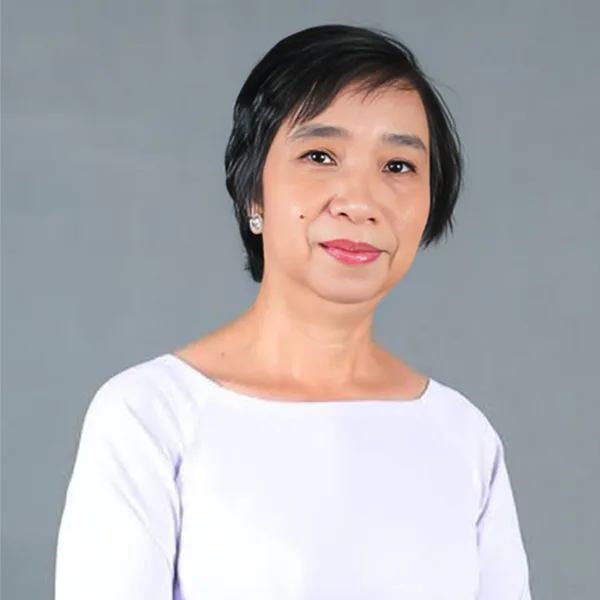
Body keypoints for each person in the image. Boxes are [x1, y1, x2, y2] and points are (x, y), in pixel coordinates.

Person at [55, 24, 531, 600]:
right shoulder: (150, 418)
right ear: (253, 191)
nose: (361, 202)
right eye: (320, 156)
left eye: (398, 166)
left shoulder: (463, 438)